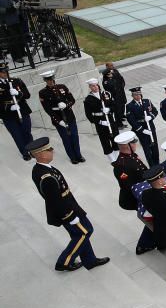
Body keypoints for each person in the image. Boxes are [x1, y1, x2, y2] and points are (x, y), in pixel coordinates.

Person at [27, 137, 108, 272]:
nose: (52, 151)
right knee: (84, 232)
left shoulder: (41, 169)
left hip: (70, 206)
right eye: (48, 150)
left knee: (80, 234)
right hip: (67, 211)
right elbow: (55, 201)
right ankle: (64, 262)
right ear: (40, 154)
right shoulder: (46, 177)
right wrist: (70, 217)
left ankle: (89, 260)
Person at [38, 70, 85, 164]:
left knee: (75, 136)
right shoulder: (43, 92)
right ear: (45, 81)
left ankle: (78, 155)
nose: (50, 81)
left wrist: (66, 105)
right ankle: (72, 157)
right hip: (58, 118)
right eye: (48, 80)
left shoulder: (62, 87)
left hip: (69, 116)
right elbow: (48, 109)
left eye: (51, 79)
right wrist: (59, 121)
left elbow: (72, 100)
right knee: (66, 139)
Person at [0, 63, 34, 160]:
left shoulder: (16, 81)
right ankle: (25, 153)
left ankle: (32, 150)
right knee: (17, 135)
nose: (5, 73)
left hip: (22, 110)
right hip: (8, 115)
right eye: (2, 72)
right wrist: (8, 108)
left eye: (6, 71)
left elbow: (27, 95)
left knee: (27, 132)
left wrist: (18, 93)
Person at [83, 78, 120, 161]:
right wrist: (99, 121)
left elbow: (115, 106)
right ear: (90, 87)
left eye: (96, 85)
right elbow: (89, 115)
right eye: (93, 86)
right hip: (100, 124)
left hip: (110, 121)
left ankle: (118, 158)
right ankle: (112, 160)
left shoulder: (106, 94)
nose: (95, 87)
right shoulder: (88, 99)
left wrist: (109, 109)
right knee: (105, 142)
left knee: (115, 140)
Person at [125, 87, 159, 166]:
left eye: (139, 94)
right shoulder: (130, 106)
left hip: (150, 127)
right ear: (132, 96)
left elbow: (155, 111)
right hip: (141, 129)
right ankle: (152, 166)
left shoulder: (147, 101)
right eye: (135, 95)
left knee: (154, 148)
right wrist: (142, 130)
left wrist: (151, 117)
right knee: (147, 149)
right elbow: (131, 120)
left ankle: (157, 164)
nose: (138, 96)